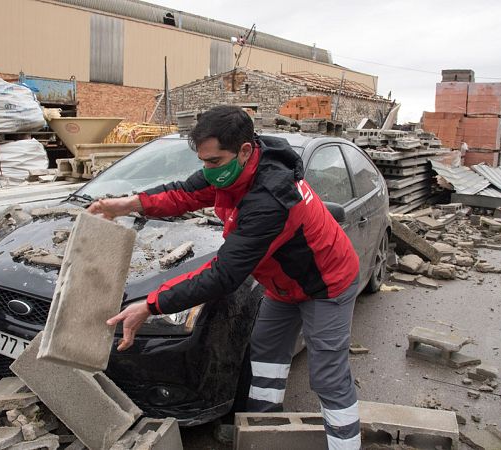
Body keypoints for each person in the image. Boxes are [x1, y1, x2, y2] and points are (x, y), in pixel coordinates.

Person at [88, 105, 361, 449]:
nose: (207, 170)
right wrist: (126, 204)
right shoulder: (229, 171)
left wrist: (152, 304)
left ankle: (345, 445)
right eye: (203, 161)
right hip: (283, 284)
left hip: (326, 283)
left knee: (327, 376)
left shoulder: (271, 197)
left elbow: (223, 275)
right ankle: (265, 429)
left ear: (245, 150)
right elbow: (183, 193)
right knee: (265, 354)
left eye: (213, 161)